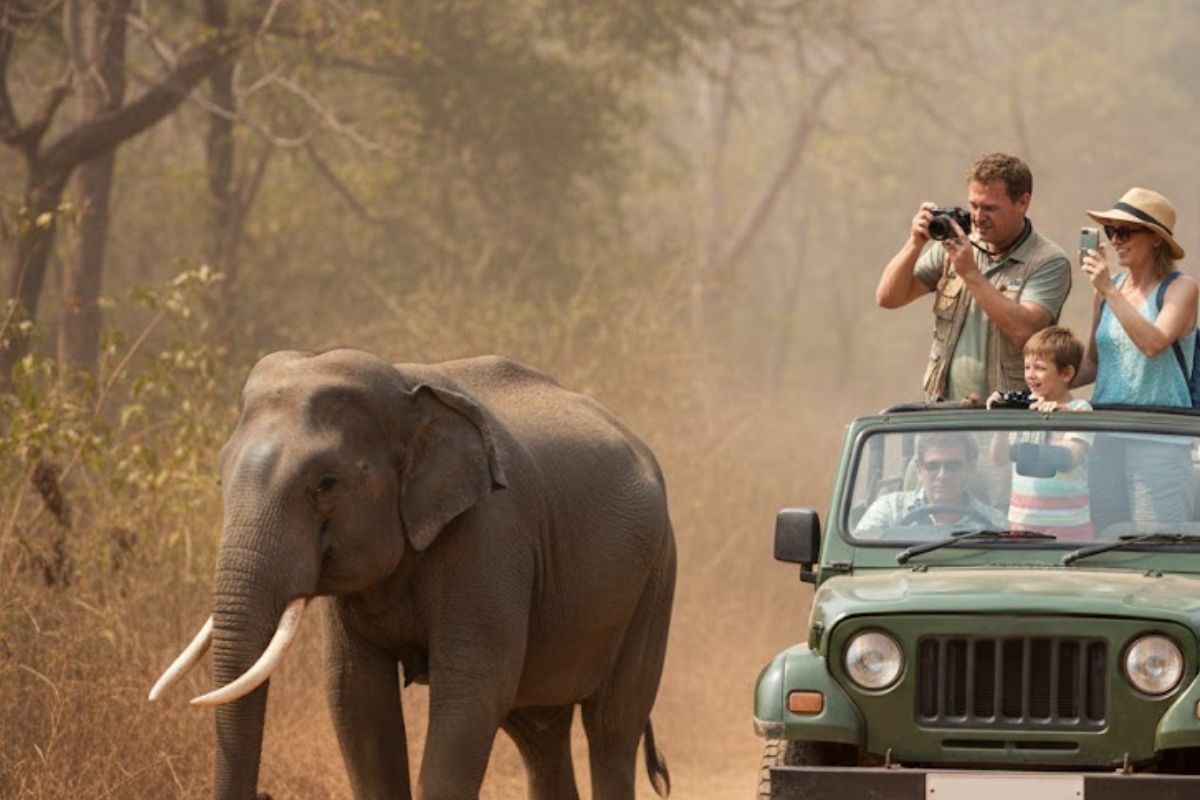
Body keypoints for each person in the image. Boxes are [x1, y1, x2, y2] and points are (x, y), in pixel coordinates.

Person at [876, 152, 1071, 402]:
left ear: (1023, 202)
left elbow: (1025, 332)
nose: (978, 218)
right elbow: (888, 298)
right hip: (946, 412)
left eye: (990, 208)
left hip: (1009, 418)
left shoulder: (1047, 260)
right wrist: (914, 243)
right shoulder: (954, 244)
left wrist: (970, 274)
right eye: (973, 206)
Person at [1075, 187, 1198, 523]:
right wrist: (1036, 381)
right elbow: (1093, 363)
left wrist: (1109, 291)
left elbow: (1153, 343)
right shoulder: (1107, 289)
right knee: (1105, 541)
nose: (1116, 240)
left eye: (1126, 231)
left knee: (1155, 543)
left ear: (1156, 239)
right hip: (1106, 436)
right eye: (1111, 231)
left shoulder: (1180, 288)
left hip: (1158, 438)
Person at [987, 326, 1094, 540]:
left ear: (1066, 373)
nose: (1030, 375)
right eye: (1027, 367)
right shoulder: (1025, 409)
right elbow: (998, 460)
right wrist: (1002, 420)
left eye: (1039, 368)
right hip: (1023, 522)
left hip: (1069, 524)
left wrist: (1057, 419)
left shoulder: (1080, 410)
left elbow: (1070, 458)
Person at [856, 432, 1006, 532]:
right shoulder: (889, 510)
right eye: (932, 466)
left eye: (953, 466)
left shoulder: (994, 523)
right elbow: (859, 558)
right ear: (919, 470)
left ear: (971, 467)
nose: (942, 475)